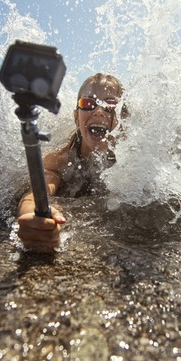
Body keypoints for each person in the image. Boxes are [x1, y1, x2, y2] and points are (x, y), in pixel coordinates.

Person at [16, 73, 125, 251]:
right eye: (88, 104)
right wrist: (33, 216)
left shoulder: (132, 160)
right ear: (76, 117)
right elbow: (35, 194)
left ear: (122, 119)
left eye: (110, 105)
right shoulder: (59, 160)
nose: (99, 111)